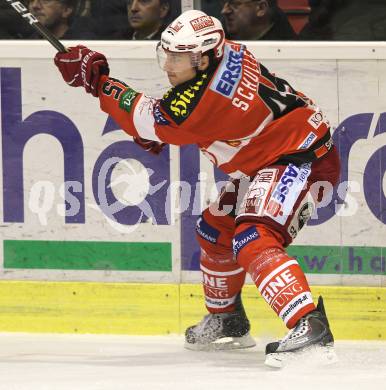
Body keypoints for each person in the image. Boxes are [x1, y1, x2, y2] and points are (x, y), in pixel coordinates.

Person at [53, 9, 340, 367]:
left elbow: (157, 117)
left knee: (254, 237)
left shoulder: (205, 99)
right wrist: (162, 130)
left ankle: (309, 324)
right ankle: (228, 321)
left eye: (180, 57)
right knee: (214, 231)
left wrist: (96, 80)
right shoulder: (227, 54)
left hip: (302, 156)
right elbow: (184, 122)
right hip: (270, 154)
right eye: (167, 53)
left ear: (204, 58)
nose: (169, 65)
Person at [221, 0, 297, 40]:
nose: (224, 11)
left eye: (234, 4)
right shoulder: (219, 34)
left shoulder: (287, 53)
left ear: (261, 8)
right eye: (225, 2)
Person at [27, 0, 96, 40]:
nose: (34, 5)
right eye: (31, 0)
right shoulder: (25, 42)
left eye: (45, 0)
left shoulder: (84, 45)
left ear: (66, 10)